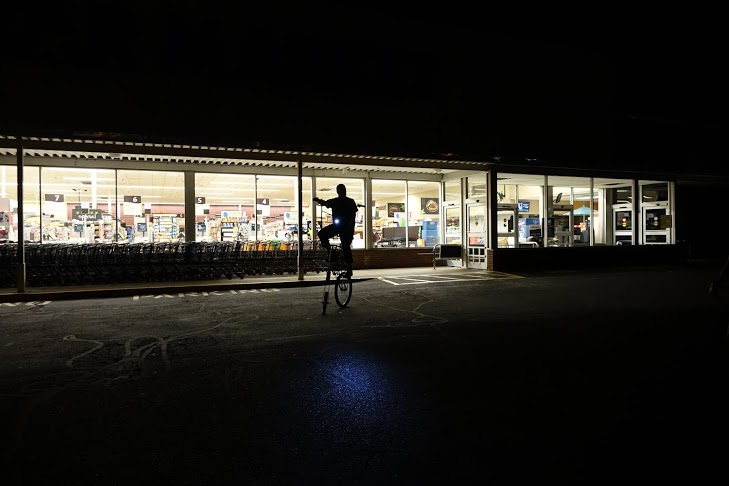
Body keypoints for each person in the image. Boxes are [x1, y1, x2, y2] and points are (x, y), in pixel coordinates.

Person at [313, 183, 358, 278]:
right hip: (339, 226)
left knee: (346, 246)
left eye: (343, 190)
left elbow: (353, 214)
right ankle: (329, 251)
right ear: (338, 192)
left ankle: (349, 268)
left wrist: (350, 225)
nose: (342, 192)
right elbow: (326, 203)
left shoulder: (350, 202)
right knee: (322, 233)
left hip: (346, 228)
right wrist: (318, 201)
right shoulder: (337, 201)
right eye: (341, 190)